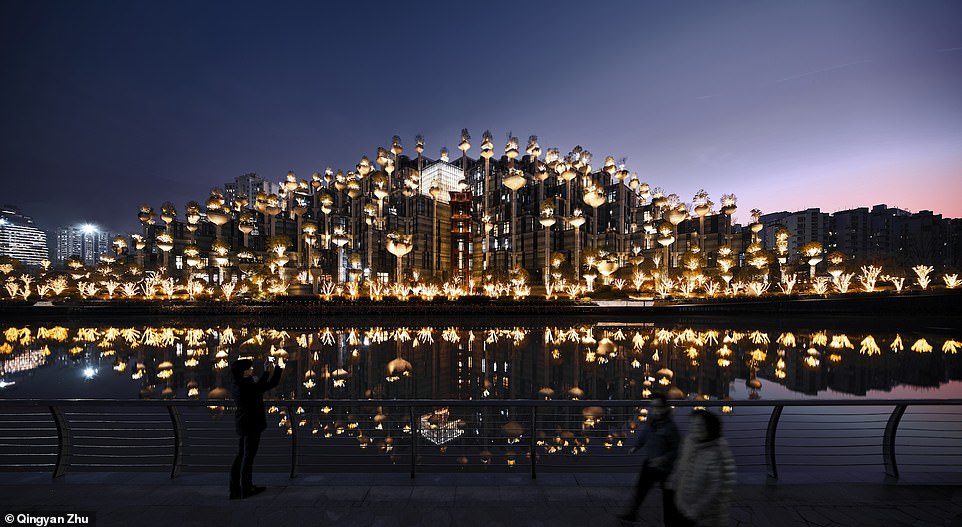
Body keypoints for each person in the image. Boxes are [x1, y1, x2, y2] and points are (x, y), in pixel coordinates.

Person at [619, 393, 681, 524]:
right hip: (650, 463)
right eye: (653, 407)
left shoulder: (670, 427)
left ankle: (669, 522)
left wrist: (663, 459)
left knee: (668, 498)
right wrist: (636, 447)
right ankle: (631, 515)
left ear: (664, 408)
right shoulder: (651, 419)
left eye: (658, 407)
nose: (655, 410)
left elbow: (676, 449)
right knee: (640, 491)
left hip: (665, 468)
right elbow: (645, 434)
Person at [229, 356, 284, 499]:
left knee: (241, 455)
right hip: (252, 424)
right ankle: (247, 488)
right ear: (245, 372)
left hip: (243, 423)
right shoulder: (247, 386)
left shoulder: (238, 384)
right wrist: (279, 367)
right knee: (248, 457)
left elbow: (259, 386)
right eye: (250, 368)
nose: (252, 369)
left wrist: (266, 371)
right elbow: (271, 384)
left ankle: (235, 488)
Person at [670, 410, 737, 527]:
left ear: (709, 428)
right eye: (692, 424)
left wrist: (696, 510)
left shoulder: (717, 452)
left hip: (705, 515)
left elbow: (716, 488)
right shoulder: (690, 442)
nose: (694, 428)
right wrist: (674, 481)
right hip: (684, 506)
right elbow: (681, 464)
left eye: (699, 425)